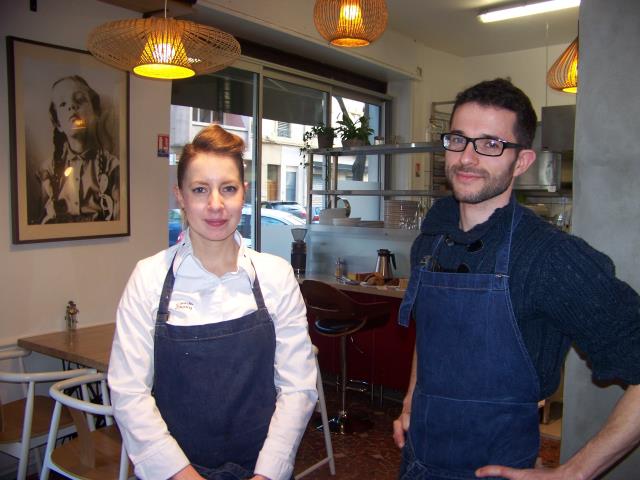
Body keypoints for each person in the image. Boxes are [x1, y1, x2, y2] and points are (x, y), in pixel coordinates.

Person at [393, 78, 640, 480]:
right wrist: (409, 401)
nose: (467, 158)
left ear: (521, 161)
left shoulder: (550, 257)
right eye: (458, 139)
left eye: (491, 144)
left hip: (496, 470)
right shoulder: (432, 235)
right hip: (416, 460)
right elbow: (432, 332)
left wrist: (573, 473)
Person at [109, 124, 317, 480]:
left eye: (229, 189)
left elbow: (298, 388)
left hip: (260, 469)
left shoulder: (275, 277)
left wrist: (268, 473)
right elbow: (129, 393)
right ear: (180, 196)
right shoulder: (148, 279)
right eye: (200, 189)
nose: (216, 205)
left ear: (244, 193)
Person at [38, 75, 119, 223]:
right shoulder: (48, 169)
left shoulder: (111, 166)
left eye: (80, 100)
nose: (72, 107)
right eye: (63, 104)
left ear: (95, 111)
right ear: (58, 123)